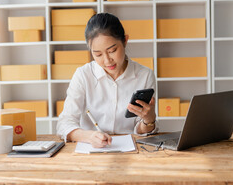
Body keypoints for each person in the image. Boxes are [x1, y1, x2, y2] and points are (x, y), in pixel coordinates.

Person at [56, 13, 158, 148]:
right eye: (97, 54)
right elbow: (64, 123)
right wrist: (88, 136)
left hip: (132, 150)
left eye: (112, 50)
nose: (106, 60)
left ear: (125, 41)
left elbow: (141, 131)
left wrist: (148, 120)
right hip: (91, 149)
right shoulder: (83, 75)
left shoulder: (144, 75)